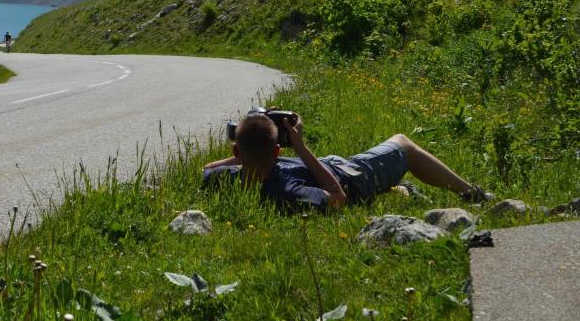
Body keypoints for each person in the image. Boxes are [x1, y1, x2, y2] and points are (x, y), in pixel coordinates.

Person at [203, 111, 493, 212]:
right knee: (403, 143)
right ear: (278, 151)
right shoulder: (286, 189)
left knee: (396, 151)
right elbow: (337, 197)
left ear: (236, 153)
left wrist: (244, 156)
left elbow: (208, 169)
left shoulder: (229, 179)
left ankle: (401, 188)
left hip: (334, 165)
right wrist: (301, 148)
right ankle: (470, 193)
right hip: (354, 178)